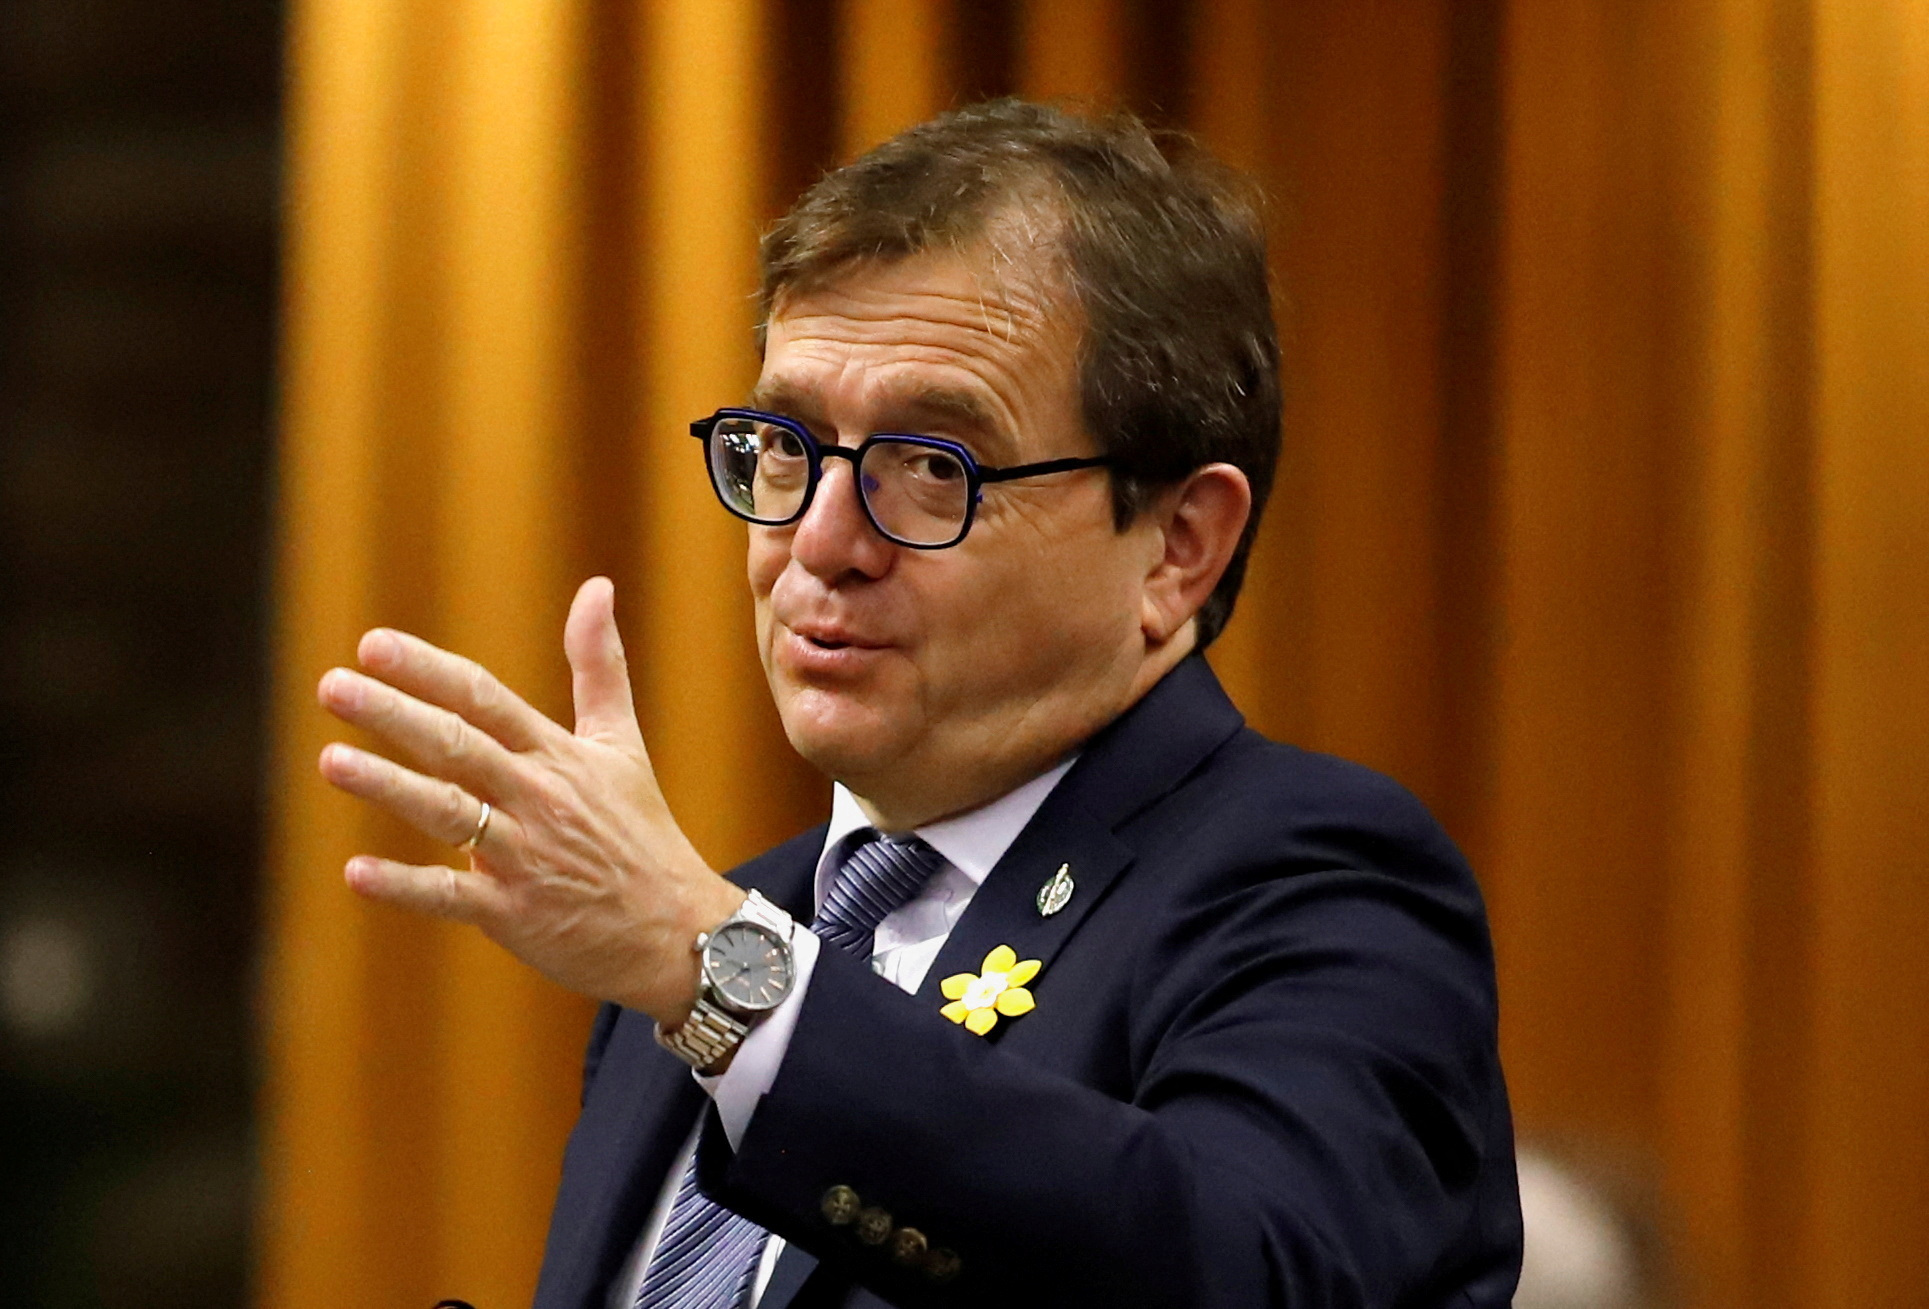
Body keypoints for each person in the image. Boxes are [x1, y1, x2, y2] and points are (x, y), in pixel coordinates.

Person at [317, 100, 1521, 1309]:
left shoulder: (1316, 881)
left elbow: (1244, 1276)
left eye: (934, 465)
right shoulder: (727, 933)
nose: (819, 541)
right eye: (787, 444)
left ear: (1177, 546)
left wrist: (719, 972)